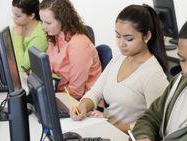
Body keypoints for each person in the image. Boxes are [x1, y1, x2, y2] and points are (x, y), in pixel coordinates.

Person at [70, 4, 169, 133]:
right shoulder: (119, 58)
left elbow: (157, 126)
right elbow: (96, 92)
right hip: (106, 130)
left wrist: (110, 125)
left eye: (129, 38)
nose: (121, 44)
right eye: (118, 36)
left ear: (146, 36)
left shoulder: (153, 75)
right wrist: (83, 106)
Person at [39, 0, 102, 100]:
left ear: (63, 20)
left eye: (48, 23)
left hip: (84, 103)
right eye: (42, 21)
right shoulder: (55, 38)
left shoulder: (79, 44)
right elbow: (49, 69)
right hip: (63, 93)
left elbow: (76, 91)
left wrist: (50, 98)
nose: (43, 27)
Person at [11, 0, 48, 73]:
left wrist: (17, 37)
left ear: (31, 15)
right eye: (13, 14)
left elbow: (21, 68)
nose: (13, 18)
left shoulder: (40, 36)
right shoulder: (19, 27)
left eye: (18, 16)